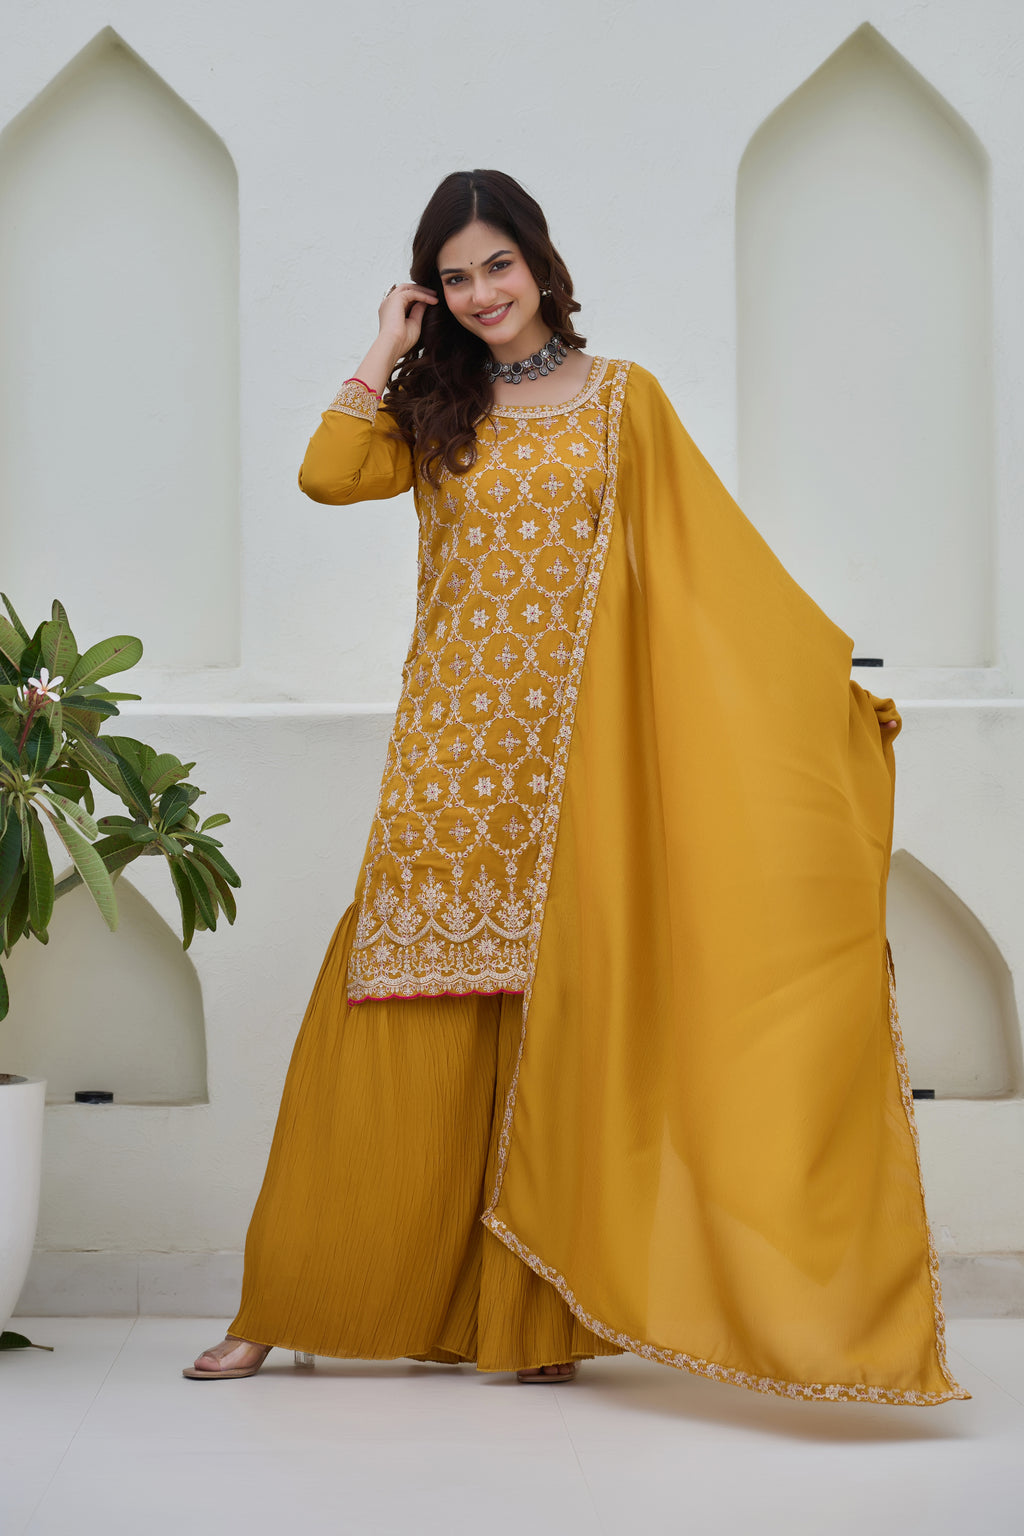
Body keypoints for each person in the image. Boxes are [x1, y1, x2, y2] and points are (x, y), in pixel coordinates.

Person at [185, 169, 969, 1405]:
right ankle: (280, 1303)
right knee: (391, 1009)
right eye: (453, 276)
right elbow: (327, 478)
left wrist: (817, 681)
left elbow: (714, 568)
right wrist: (383, 350)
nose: (480, 292)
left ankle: (535, 1320)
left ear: (540, 266)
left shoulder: (624, 402)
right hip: (453, 758)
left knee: (567, 1036)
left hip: (582, 766)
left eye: (497, 265)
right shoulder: (430, 406)